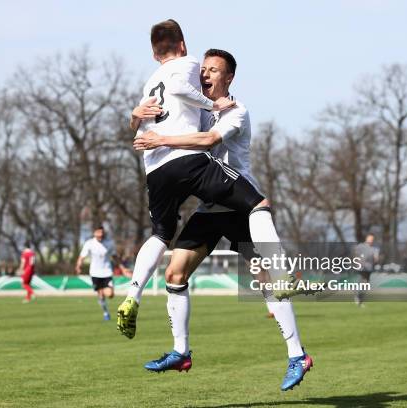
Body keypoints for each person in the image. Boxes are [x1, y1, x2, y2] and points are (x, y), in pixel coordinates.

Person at [132, 49, 313, 391]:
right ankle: (181, 352)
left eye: (214, 70)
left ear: (228, 78)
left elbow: (208, 141)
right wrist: (136, 115)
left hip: (236, 205)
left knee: (268, 281)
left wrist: (162, 139)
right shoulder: (200, 110)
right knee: (174, 272)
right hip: (209, 208)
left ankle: (296, 355)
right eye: (204, 69)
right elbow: (166, 123)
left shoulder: (237, 111)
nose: (205, 74)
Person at [76, 225, 131, 321]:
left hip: (107, 272)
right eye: (98, 232)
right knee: (101, 294)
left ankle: (102, 297)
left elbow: (115, 257)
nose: (100, 234)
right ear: (94, 233)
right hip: (94, 273)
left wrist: (123, 268)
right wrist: (78, 266)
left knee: (110, 294)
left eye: (102, 232)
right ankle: (106, 313)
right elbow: (82, 256)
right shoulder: (89, 243)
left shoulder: (109, 243)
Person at [353, 233, 379, 307]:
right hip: (361, 267)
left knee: (366, 284)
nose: (371, 240)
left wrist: (376, 259)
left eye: (372, 239)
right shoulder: (361, 246)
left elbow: (376, 258)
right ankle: (357, 296)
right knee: (363, 281)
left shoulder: (374, 249)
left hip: (369, 268)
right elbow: (355, 254)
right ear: (366, 239)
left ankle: (360, 299)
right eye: (369, 239)